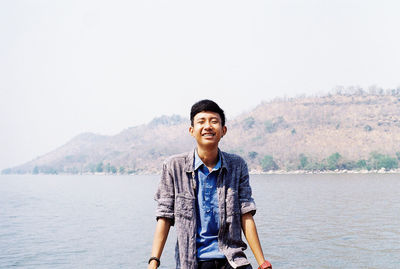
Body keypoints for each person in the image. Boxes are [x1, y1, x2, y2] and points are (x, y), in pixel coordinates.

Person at [148, 100, 272, 269]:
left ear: (223, 130)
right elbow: (165, 217)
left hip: (232, 260)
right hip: (192, 262)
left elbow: (246, 215)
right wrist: (153, 262)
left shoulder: (237, 166)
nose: (207, 126)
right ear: (192, 131)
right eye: (201, 121)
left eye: (214, 121)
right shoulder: (173, 166)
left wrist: (262, 263)